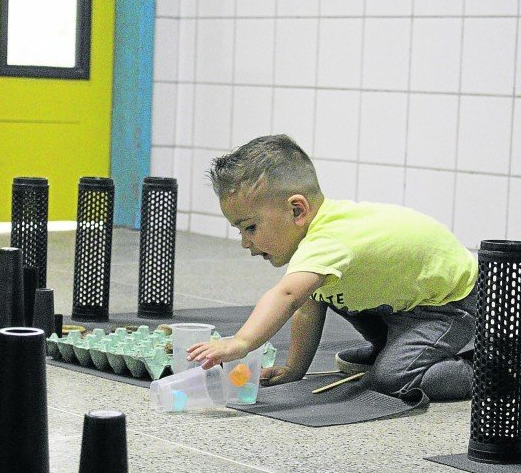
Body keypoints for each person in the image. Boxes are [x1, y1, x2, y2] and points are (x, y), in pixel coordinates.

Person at [187, 134, 478, 400]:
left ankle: (491, 371)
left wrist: (241, 342)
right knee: (322, 292)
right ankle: (393, 346)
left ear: (297, 210)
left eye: (250, 227)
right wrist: (293, 369)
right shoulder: (317, 244)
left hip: (450, 304)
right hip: (404, 301)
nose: (245, 242)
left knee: (392, 380)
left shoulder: (331, 239)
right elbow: (305, 306)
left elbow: (287, 297)